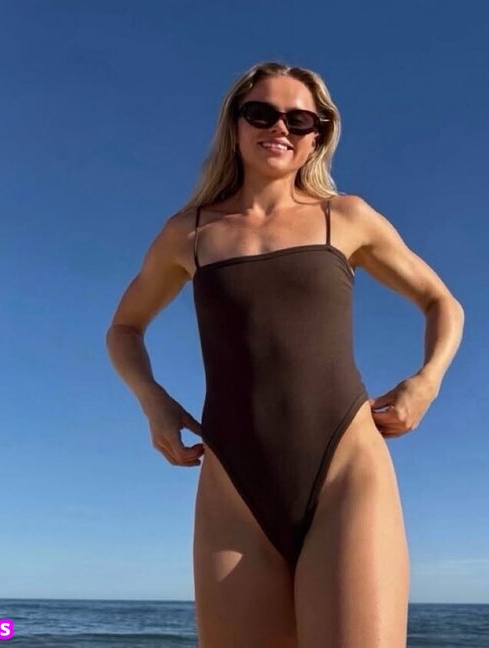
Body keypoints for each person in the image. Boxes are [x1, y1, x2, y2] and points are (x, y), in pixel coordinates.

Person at [105, 60, 464, 647]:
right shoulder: (188, 233)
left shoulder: (344, 217)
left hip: (346, 474)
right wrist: (154, 401)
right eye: (262, 113)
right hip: (233, 488)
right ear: (235, 124)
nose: (280, 128)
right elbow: (124, 328)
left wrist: (427, 380)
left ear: (317, 136)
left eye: (300, 120)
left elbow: (441, 301)